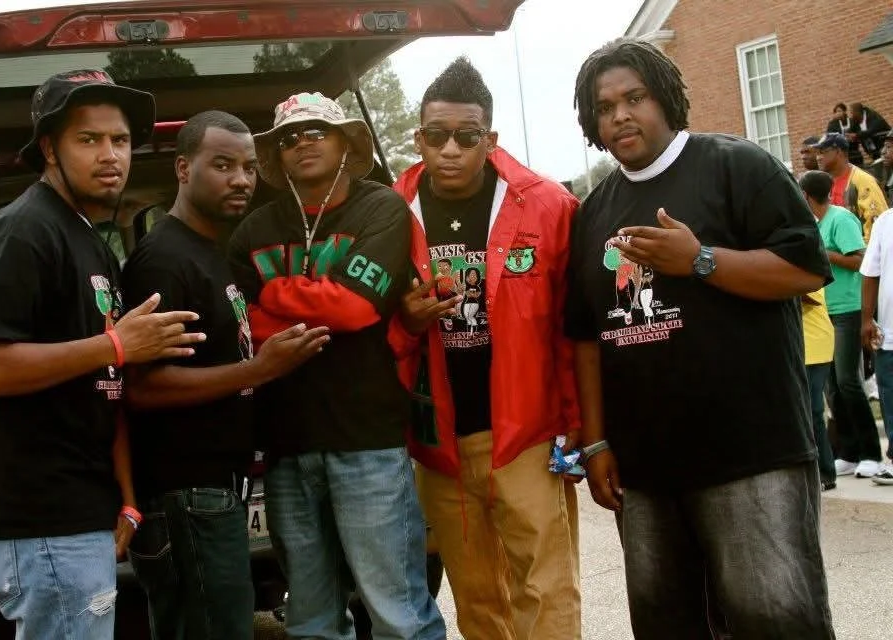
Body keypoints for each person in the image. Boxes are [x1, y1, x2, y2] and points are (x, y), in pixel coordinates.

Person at [567, 38, 835, 638]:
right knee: (667, 625)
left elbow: (805, 268)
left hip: (752, 453)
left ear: (663, 98)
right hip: (646, 468)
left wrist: (702, 260)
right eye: (605, 106)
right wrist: (596, 441)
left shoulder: (737, 165)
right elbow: (587, 336)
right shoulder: (593, 212)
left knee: (776, 621)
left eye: (634, 98)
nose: (621, 116)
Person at [0, 70, 205, 640]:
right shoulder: (23, 231)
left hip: (81, 509)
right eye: (88, 140)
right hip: (38, 516)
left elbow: (104, 382)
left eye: (119, 140)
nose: (110, 154)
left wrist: (127, 497)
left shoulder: (89, 237)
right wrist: (117, 343)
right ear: (49, 149)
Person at [227, 92, 446, 639]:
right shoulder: (253, 229)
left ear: (346, 143)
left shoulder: (381, 209)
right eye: (288, 138)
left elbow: (356, 306)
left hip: (367, 441)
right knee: (310, 617)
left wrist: (276, 291)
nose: (302, 144)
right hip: (285, 448)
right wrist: (318, 299)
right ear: (276, 156)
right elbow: (247, 328)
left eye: (316, 132)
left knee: (397, 610)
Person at [390, 56, 582, 640]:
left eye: (465, 136)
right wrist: (405, 319)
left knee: (545, 586)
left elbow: (574, 326)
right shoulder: (389, 212)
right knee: (476, 596)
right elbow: (366, 327)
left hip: (524, 430)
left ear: (489, 138)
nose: (449, 150)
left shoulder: (547, 206)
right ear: (418, 136)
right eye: (434, 135)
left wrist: (577, 420)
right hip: (440, 441)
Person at [121, 111, 330, 639]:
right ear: (183, 169)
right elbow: (144, 386)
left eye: (248, 167)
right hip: (184, 494)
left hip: (214, 490)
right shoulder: (164, 260)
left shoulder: (209, 251)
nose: (240, 179)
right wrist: (260, 369)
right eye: (222, 165)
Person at [799, 170, 882, 479]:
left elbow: (860, 260)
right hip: (826, 312)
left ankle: (871, 452)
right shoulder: (815, 223)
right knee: (833, 387)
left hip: (848, 308)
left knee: (848, 381)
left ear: (807, 196)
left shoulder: (840, 219)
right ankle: (848, 451)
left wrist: (824, 254)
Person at [860, 203, 893, 486]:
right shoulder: (885, 221)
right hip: (890, 333)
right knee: (890, 396)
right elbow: (870, 273)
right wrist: (866, 319)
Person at [815, 132, 889, 241]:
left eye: (822, 152)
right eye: (817, 153)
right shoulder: (825, 184)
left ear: (838, 152)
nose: (818, 158)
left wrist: (864, 254)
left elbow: (877, 225)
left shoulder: (863, 181)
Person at [802, 286, 837, 490]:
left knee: (813, 411)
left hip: (815, 343)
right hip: (800, 343)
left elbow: (806, 296)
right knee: (805, 411)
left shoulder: (806, 264)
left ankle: (825, 473)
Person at [827, 102, 863, 167]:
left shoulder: (852, 121)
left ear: (844, 111)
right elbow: (829, 136)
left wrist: (854, 136)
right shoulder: (833, 124)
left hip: (854, 151)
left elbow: (859, 132)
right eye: (836, 112)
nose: (838, 113)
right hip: (842, 153)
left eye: (839, 111)